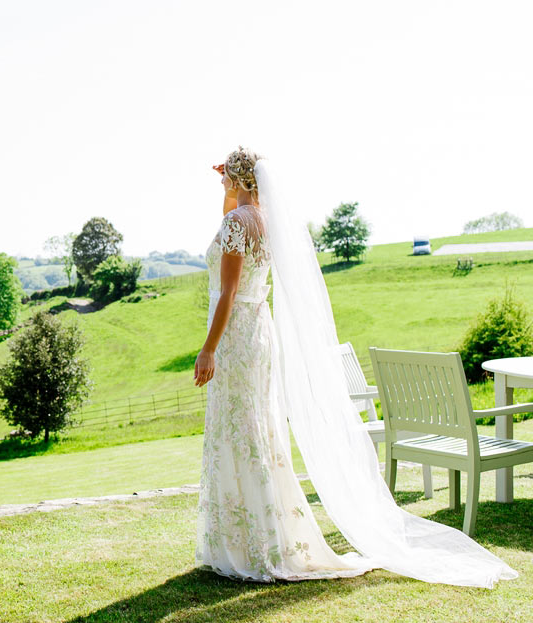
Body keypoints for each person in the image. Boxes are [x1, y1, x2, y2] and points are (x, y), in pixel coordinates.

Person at [193, 147, 516, 588]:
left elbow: (227, 292)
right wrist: (234, 186)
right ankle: (256, 537)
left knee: (240, 428)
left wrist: (208, 348)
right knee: (254, 429)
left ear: (235, 179)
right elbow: (236, 228)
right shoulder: (265, 223)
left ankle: (245, 543)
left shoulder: (236, 223)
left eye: (224, 177)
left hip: (235, 335)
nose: (220, 182)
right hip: (258, 332)